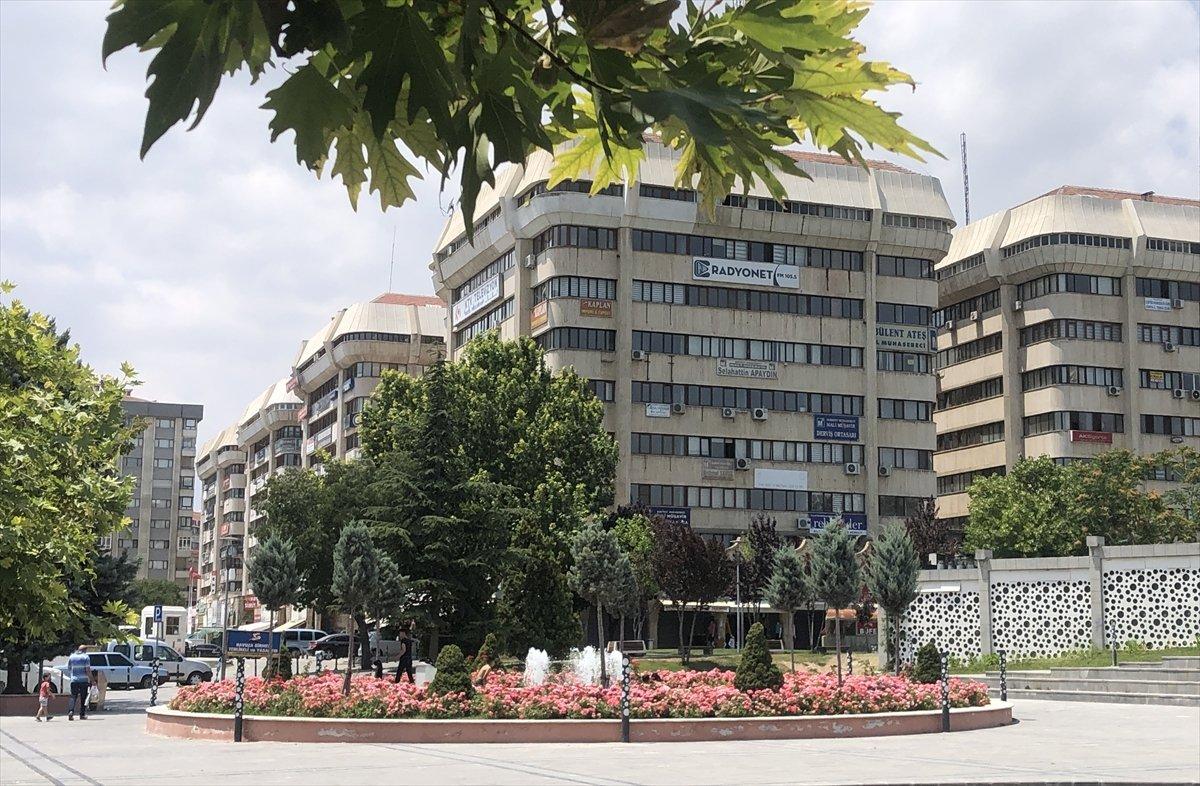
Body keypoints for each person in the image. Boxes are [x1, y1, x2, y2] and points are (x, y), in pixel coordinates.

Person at [65, 644, 91, 721]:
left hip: (74, 680)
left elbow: (69, 668)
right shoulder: (86, 657)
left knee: (73, 696)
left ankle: (71, 712)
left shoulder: (72, 656)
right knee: (83, 697)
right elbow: (88, 670)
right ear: (85, 650)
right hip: (83, 680)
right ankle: (82, 714)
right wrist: (92, 680)